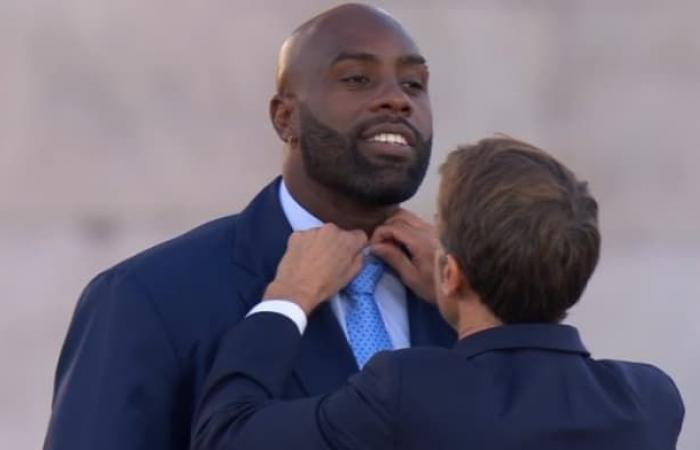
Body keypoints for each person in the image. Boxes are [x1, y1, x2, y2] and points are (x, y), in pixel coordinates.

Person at [43, 4, 454, 450]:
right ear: (285, 118)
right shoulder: (148, 297)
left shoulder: (470, 300)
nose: (398, 99)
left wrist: (475, 300)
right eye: (356, 78)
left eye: (414, 84)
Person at [191, 136, 685, 450]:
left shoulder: (408, 390)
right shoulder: (650, 401)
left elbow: (226, 435)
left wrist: (290, 295)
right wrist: (467, 297)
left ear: (448, 271)